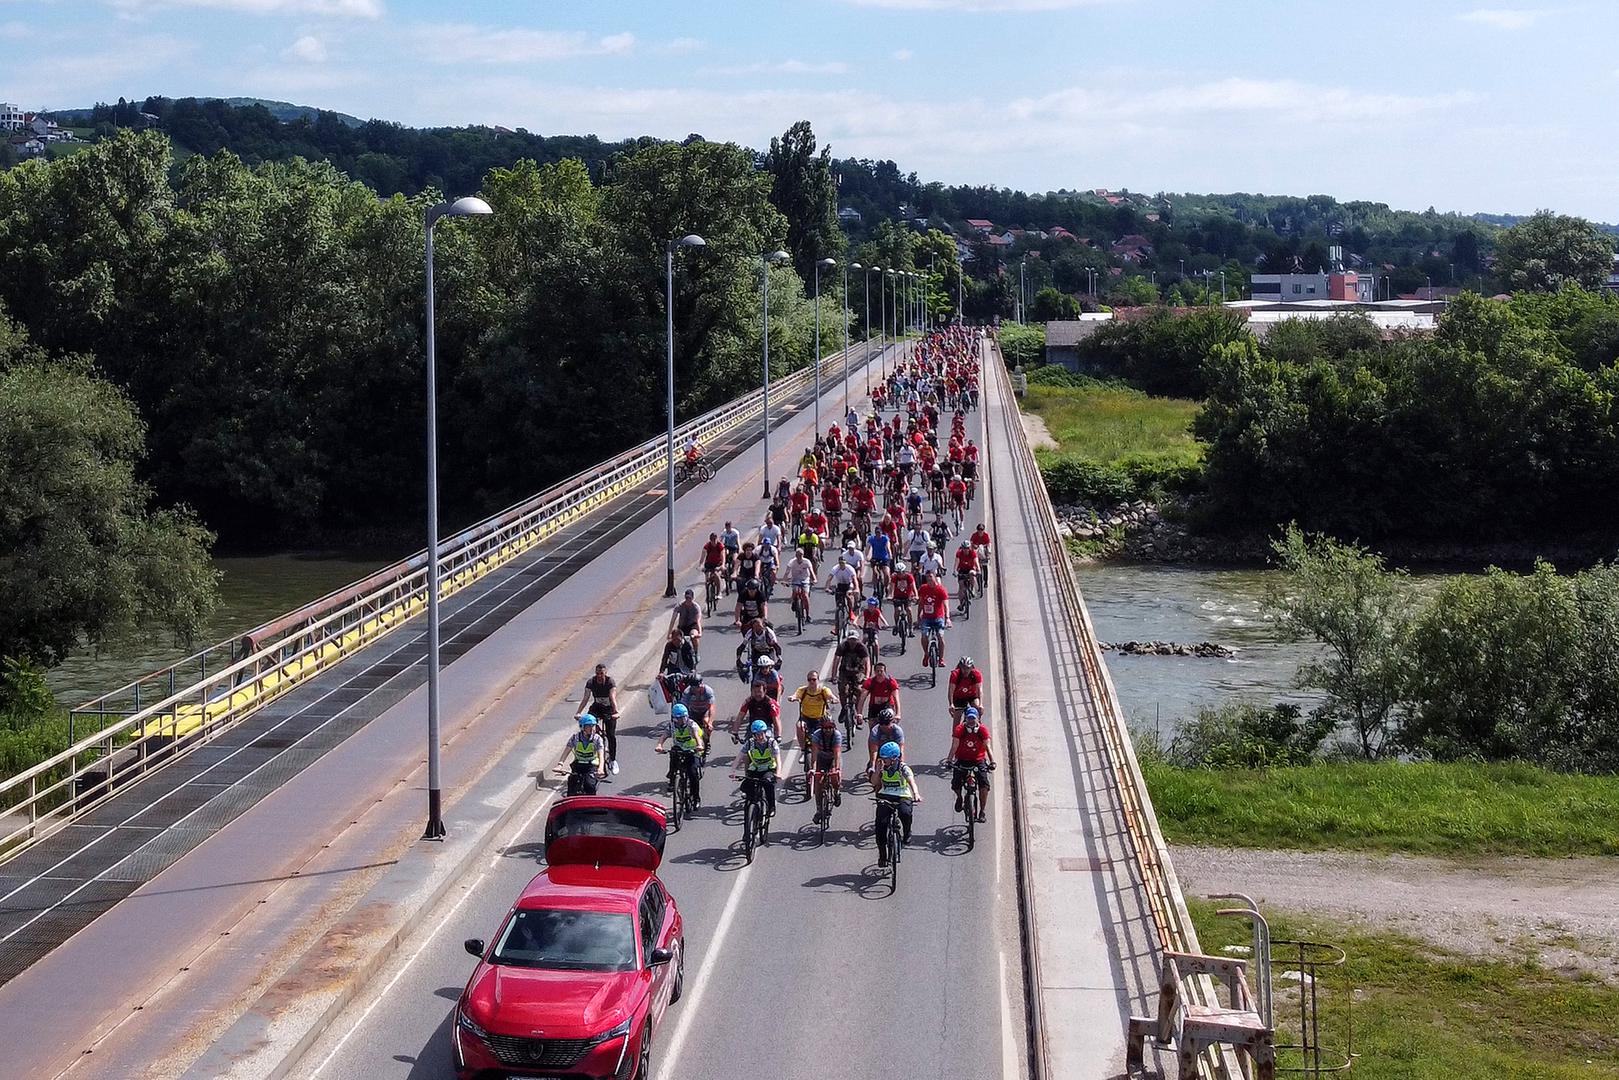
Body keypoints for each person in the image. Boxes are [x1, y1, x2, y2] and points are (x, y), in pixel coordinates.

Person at [873, 741, 922, 866]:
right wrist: (877, 771)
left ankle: (907, 832)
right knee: (880, 825)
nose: (884, 761)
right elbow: (874, 782)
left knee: (905, 813)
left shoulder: (903, 768)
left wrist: (916, 794)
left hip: (902, 795)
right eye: (882, 758)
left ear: (894, 758)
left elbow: (912, 782)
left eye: (886, 759)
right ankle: (883, 855)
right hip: (886, 795)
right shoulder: (882, 767)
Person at [947, 707, 994, 821]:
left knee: (984, 785)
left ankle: (982, 811)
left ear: (977, 719)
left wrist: (992, 761)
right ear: (966, 719)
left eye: (973, 719)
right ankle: (959, 797)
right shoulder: (960, 729)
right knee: (956, 783)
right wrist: (949, 760)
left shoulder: (982, 730)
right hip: (962, 759)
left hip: (978, 760)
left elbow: (987, 746)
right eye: (969, 718)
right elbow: (955, 745)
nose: (971, 721)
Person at [654, 703, 705, 807]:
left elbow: (696, 736)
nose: (681, 720)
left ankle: (696, 798)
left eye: (683, 717)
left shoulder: (692, 725)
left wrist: (699, 745)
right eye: (678, 718)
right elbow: (664, 736)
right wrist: (659, 745)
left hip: (693, 750)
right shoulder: (671, 726)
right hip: (679, 749)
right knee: (673, 755)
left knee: (693, 774)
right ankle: (672, 778)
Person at [731, 718, 781, 822]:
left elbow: (778, 759)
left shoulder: (772, 743)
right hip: (755, 769)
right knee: (745, 786)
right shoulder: (750, 743)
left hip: (768, 769)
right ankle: (750, 814)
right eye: (756, 734)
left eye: (761, 733)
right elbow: (739, 757)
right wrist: (733, 771)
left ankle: (771, 807)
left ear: (765, 732)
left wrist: (778, 773)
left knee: (768, 785)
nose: (759, 736)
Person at [577, 663, 620, 775]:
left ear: (605, 673)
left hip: (609, 709)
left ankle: (613, 759)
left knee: (611, 735)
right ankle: (592, 752)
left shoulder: (610, 682)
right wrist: (579, 712)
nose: (599, 676)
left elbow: (612, 697)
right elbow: (586, 698)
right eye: (597, 673)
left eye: (601, 673)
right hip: (596, 708)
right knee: (588, 725)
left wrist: (616, 711)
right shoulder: (591, 682)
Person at [788, 669, 836, 767]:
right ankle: (803, 750)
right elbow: (796, 695)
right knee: (799, 726)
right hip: (806, 717)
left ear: (818, 680)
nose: (812, 682)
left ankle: (832, 752)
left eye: (814, 679)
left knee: (830, 731)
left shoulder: (823, 690)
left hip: (821, 718)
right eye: (809, 680)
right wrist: (793, 698)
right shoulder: (803, 690)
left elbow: (831, 696)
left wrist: (834, 699)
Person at [556, 713, 607, 794]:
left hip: (591, 766)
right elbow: (566, 751)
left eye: (593, 726)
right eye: (589, 726)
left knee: (589, 785)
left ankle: (591, 805)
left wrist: (600, 768)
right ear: (582, 727)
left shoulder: (597, 739)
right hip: (578, 765)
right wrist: (560, 764)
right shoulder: (575, 738)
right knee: (572, 784)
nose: (592, 728)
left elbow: (601, 755)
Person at [806, 714, 844, 814]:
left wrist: (837, 769)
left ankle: (836, 792)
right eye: (825, 728)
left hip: (832, 759)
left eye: (830, 727)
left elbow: (837, 753)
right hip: (821, 758)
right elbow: (814, 754)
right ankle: (819, 810)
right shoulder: (816, 735)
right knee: (818, 784)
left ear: (834, 727)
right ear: (821, 728)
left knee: (834, 776)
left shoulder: (837, 735)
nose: (828, 730)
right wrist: (813, 769)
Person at [677, 671, 718, 759]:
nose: (697, 689)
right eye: (695, 687)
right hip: (693, 712)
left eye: (699, 686)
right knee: (689, 728)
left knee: (706, 723)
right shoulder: (687, 692)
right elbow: (684, 707)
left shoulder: (708, 691)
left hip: (704, 711)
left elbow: (712, 707)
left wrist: (710, 723)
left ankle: (707, 742)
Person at [916, 572, 953, 661]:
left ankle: (941, 658)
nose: (929, 580)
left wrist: (947, 618)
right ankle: (926, 654)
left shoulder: (941, 590)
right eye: (927, 578)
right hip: (926, 618)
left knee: (940, 636)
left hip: (938, 618)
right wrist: (918, 616)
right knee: (924, 635)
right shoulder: (923, 588)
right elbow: (921, 603)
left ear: (935, 578)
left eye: (931, 577)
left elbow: (945, 605)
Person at [858, 661, 902, 725]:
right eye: (877, 671)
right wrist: (859, 713)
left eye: (881, 671)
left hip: (887, 706)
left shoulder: (891, 682)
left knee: (889, 726)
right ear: (874, 672)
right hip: (874, 707)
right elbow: (862, 698)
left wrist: (898, 714)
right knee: (873, 730)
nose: (879, 673)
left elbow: (896, 698)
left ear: (885, 672)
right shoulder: (870, 682)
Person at [947, 655, 984, 722]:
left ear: (971, 668)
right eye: (963, 668)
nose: (965, 670)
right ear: (960, 667)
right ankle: (955, 732)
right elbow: (951, 691)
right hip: (959, 697)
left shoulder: (976, 674)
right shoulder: (955, 674)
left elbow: (979, 690)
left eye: (968, 668)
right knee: (957, 716)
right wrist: (951, 704)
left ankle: (978, 725)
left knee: (977, 707)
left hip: (972, 696)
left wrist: (981, 704)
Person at [670, 588, 702, 660]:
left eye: (689, 598)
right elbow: (673, 620)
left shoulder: (696, 607)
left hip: (692, 626)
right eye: (687, 598)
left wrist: (699, 632)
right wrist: (669, 633)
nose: (688, 600)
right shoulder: (680, 606)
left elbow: (698, 621)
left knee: (693, 635)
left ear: (692, 598)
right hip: (682, 627)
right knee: (676, 639)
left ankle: (696, 653)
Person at [954, 541, 981, 609]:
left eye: (967, 548)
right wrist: (955, 571)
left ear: (969, 548)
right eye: (964, 548)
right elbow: (956, 562)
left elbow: (976, 561)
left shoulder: (973, 553)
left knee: (972, 573)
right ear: (962, 548)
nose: (966, 550)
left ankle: (972, 589)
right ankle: (961, 604)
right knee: (961, 587)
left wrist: (978, 569)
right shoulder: (959, 553)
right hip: (962, 570)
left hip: (971, 568)